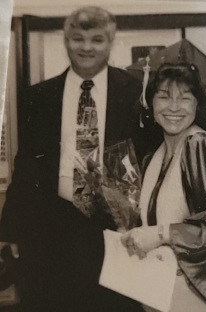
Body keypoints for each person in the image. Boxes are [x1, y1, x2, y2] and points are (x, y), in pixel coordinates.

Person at [0, 6, 157, 311]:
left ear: (110, 43)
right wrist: (10, 232)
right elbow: (27, 165)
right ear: (66, 41)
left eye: (97, 39)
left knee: (116, 306)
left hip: (115, 226)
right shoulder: (39, 96)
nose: (87, 47)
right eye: (78, 39)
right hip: (52, 225)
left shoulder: (135, 92)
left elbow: (150, 158)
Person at [120, 63, 206, 312]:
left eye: (185, 98)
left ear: (198, 104)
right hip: (161, 289)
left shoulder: (201, 146)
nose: (174, 107)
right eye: (163, 97)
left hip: (202, 296)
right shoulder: (154, 157)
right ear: (150, 103)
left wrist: (161, 234)